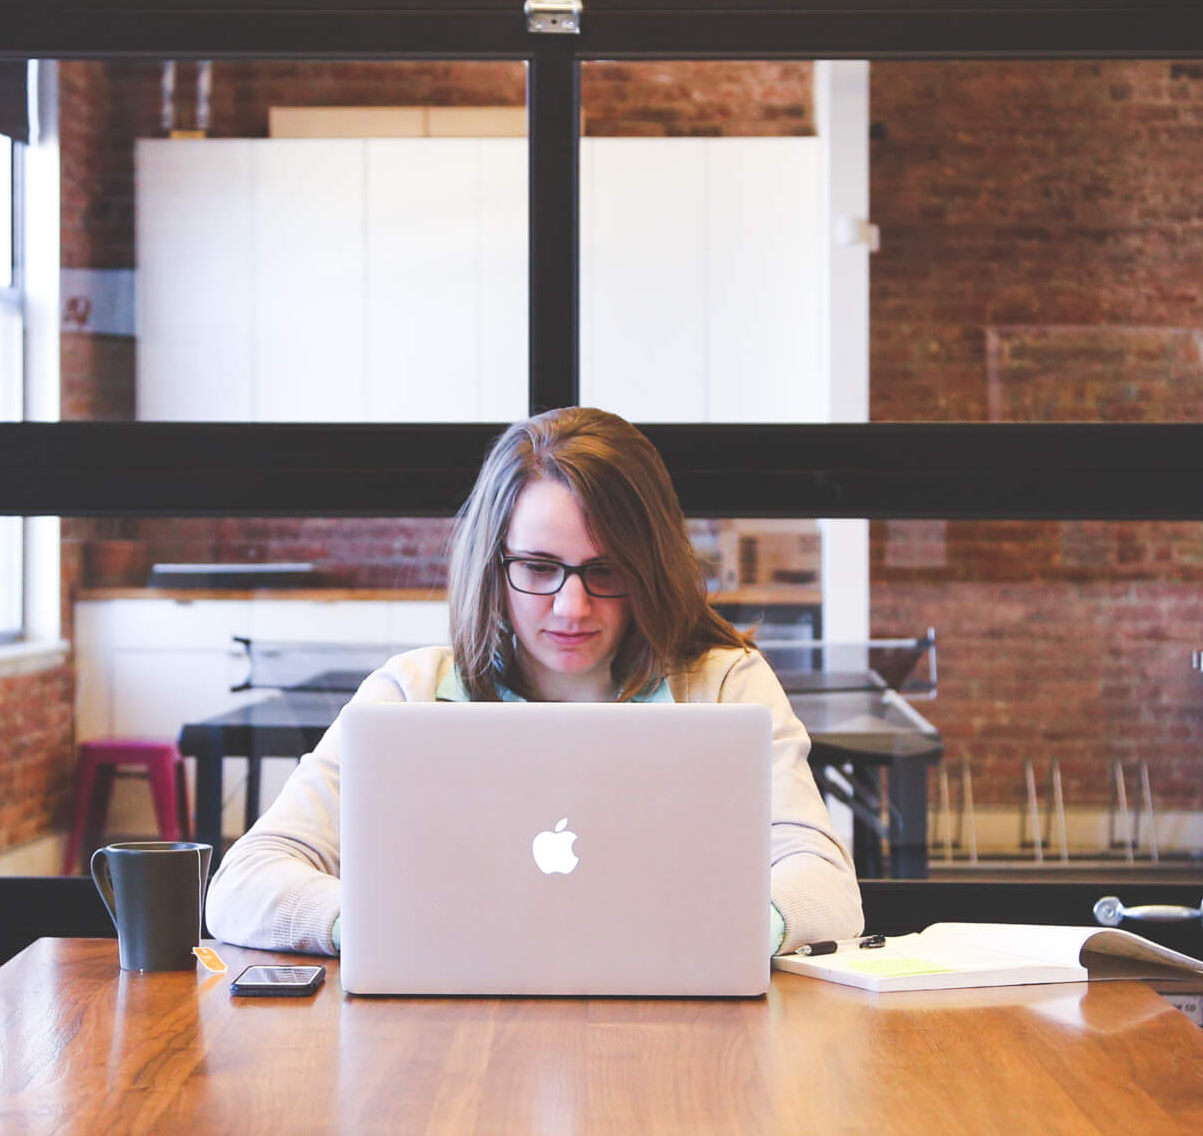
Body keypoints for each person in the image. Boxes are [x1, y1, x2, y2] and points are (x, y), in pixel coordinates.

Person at [205, 407, 865, 957]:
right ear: (493, 563)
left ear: (650, 566)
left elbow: (828, 886)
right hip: (448, 1043)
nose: (572, 607)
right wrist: (384, 928)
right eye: (540, 567)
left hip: (672, 1038)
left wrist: (719, 934)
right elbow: (244, 884)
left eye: (607, 571)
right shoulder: (410, 693)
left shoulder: (723, 685)